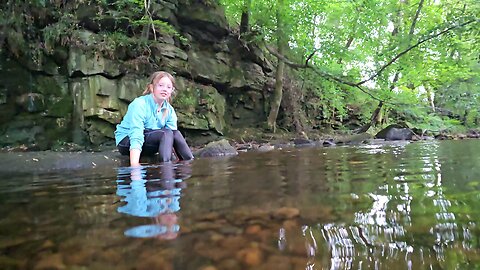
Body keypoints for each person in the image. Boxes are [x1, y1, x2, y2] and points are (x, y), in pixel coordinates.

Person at [114, 71, 194, 166]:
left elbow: (173, 138)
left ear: (172, 91)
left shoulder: (169, 110)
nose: (165, 89)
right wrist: (134, 164)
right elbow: (136, 134)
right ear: (152, 88)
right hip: (128, 140)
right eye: (161, 85)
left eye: (168, 87)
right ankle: (165, 167)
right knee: (166, 133)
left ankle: (190, 164)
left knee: (175, 133)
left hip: (150, 141)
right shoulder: (140, 104)